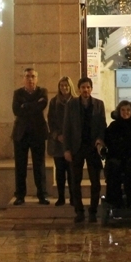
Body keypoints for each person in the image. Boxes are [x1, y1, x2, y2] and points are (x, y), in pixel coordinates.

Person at [62, 77, 106, 223]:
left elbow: (102, 125)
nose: (85, 90)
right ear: (79, 89)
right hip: (77, 147)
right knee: (75, 181)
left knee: (95, 182)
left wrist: (100, 140)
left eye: (88, 87)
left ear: (91, 89)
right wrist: (66, 149)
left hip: (92, 148)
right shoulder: (71, 104)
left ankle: (93, 211)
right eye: (83, 87)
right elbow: (67, 127)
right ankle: (79, 211)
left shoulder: (99, 104)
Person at [11, 67, 49, 205]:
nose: (30, 79)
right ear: (23, 79)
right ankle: (20, 195)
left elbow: (41, 106)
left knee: (39, 165)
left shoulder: (42, 92)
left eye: (33, 76)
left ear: (37, 79)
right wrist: (33, 105)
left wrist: (25, 106)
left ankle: (42, 195)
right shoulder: (17, 93)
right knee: (20, 166)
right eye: (27, 76)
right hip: (21, 134)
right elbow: (16, 110)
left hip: (38, 133)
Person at [102, 101, 131, 209]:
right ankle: (115, 201)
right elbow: (108, 141)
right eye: (123, 110)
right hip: (116, 155)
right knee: (113, 166)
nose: (125, 112)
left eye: (128, 110)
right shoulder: (113, 126)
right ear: (119, 111)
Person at [46, 76, 73, 207]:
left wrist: (70, 136)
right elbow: (51, 120)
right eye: (61, 85)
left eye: (66, 85)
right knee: (60, 171)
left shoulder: (75, 101)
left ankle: (73, 197)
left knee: (72, 172)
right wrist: (57, 135)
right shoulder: (54, 102)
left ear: (70, 86)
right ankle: (61, 197)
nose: (64, 88)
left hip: (72, 142)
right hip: (58, 142)